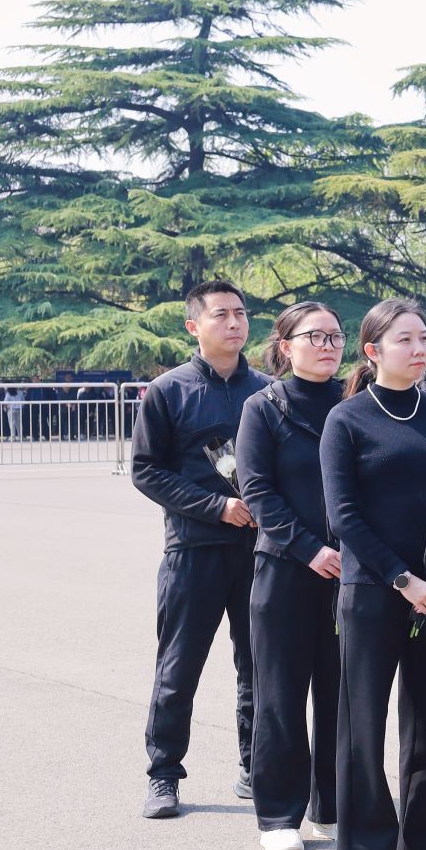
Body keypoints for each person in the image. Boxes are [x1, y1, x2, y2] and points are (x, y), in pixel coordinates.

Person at [321, 299, 426, 850]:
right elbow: (343, 516)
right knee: (363, 721)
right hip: (374, 590)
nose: (419, 349)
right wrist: (403, 579)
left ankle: (422, 849)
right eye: (404, 339)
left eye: (422, 339)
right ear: (373, 351)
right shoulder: (348, 419)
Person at [132, 280, 270, 819]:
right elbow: (146, 471)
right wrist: (216, 507)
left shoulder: (267, 391)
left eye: (241, 313)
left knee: (259, 666)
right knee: (179, 666)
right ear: (194, 325)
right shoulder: (168, 391)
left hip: (261, 551)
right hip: (194, 549)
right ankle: (163, 774)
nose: (234, 323)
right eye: (221, 315)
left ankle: (255, 766)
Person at [236, 302, 345, 850]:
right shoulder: (263, 407)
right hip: (284, 568)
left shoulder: (356, 400)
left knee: (341, 695)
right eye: (314, 336)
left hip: (351, 571)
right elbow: (257, 489)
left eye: (335, 336)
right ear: (285, 345)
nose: (327, 346)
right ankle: (279, 814)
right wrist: (310, 549)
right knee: (279, 696)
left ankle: (332, 806)